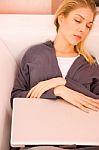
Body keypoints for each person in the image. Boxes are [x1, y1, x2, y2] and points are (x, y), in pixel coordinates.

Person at [11, 0, 99, 149]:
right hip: (40, 142)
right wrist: (56, 91)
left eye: (88, 26)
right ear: (61, 18)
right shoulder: (34, 54)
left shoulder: (90, 63)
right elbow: (16, 98)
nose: (82, 29)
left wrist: (63, 83)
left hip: (84, 144)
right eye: (78, 20)